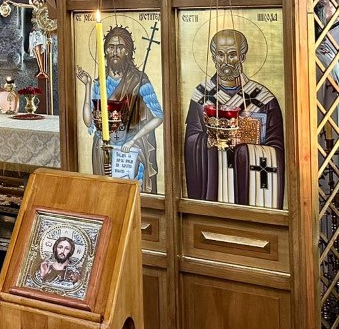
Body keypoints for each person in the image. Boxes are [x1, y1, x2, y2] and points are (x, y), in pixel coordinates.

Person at [184, 29, 285, 208]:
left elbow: (276, 148)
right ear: (213, 57)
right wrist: (209, 140)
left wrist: (245, 150)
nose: (226, 61)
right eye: (220, 55)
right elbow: (191, 140)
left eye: (232, 55)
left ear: (242, 57)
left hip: (248, 184)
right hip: (213, 181)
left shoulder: (264, 99)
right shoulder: (202, 95)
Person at [76, 25, 163, 193]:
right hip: (104, 151)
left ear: (128, 51)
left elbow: (158, 116)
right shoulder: (100, 83)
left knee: (129, 195)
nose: (115, 51)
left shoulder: (139, 81)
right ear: (105, 51)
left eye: (120, 47)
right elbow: (89, 122)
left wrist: (133, 140)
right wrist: (87, 85)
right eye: (111, 47)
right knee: (106, 195)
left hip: (129, 152)